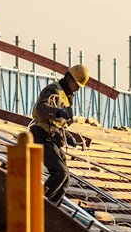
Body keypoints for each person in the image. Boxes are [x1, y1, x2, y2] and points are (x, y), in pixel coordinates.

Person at [28, 64, 90, 205]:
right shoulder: (53, 89)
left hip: (52, 139)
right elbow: (42, 108)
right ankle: (38, 203)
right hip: (40, 136)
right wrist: (58, 112)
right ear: (69, 78)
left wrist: (68, 137)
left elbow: (59, 125)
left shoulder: (67, 98)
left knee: (65, 178)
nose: (78, 88)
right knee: (59, 173)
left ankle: (52, 207)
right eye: (77, 84)